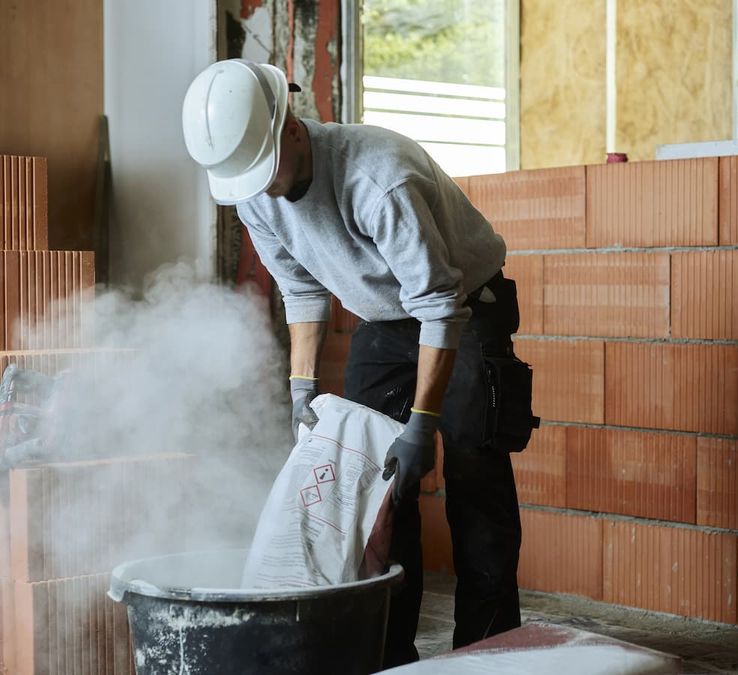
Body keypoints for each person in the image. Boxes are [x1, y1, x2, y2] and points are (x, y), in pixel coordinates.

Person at [182, 58, 528, 667]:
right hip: (386, 319)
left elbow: (440, 306)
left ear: (290, 126)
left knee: (475, 483)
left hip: (465, 306)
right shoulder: (255, 191)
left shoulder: (378, 178)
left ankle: (486, 653)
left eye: (265, 172)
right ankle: (389, 652)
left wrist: (422, 421)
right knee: (375, 486)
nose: (262, 188)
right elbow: (301, 289)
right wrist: (301, 389)